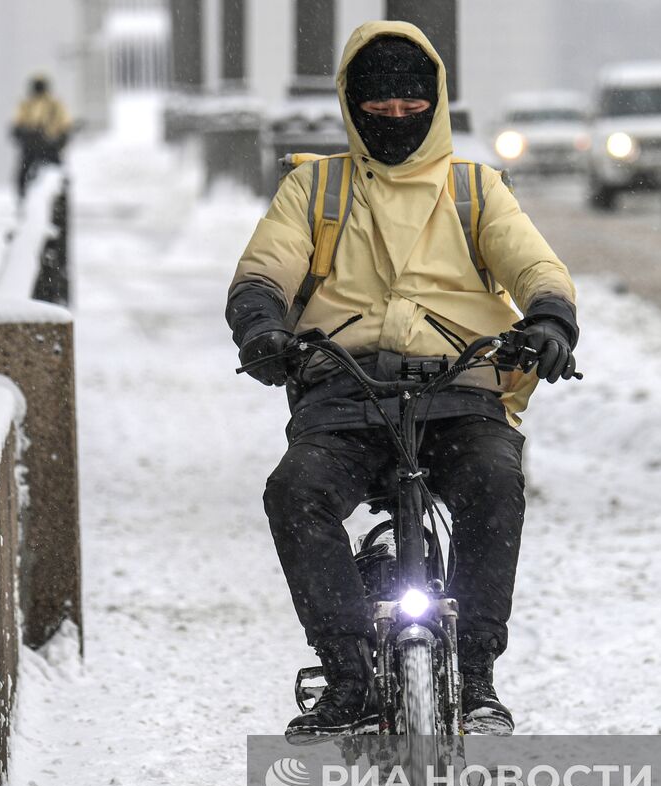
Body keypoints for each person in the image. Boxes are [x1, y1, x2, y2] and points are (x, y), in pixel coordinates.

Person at [226, 21, 579, 742]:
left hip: (458, 392)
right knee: (295, 492)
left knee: (493, 480)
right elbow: (264, 269)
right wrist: (261, 325)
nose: (394, 120)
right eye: (377, 107)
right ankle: (348, 669)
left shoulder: (475, 191)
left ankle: (477, 674)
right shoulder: (313, 188)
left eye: (409, 107)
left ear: (436, 101)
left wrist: (548, 319)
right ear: (351, 104)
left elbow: (538, 268)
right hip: (343, 393)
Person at [9, 75, 71, 200]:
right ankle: (24, 200)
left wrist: (60, 139)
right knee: (23, 175)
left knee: (59, 176)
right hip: (33, 145)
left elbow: (65, 124)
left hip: (49, 145)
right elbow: (17, 124)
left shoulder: (53, 104)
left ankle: (59, 203)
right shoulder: (27, 104)